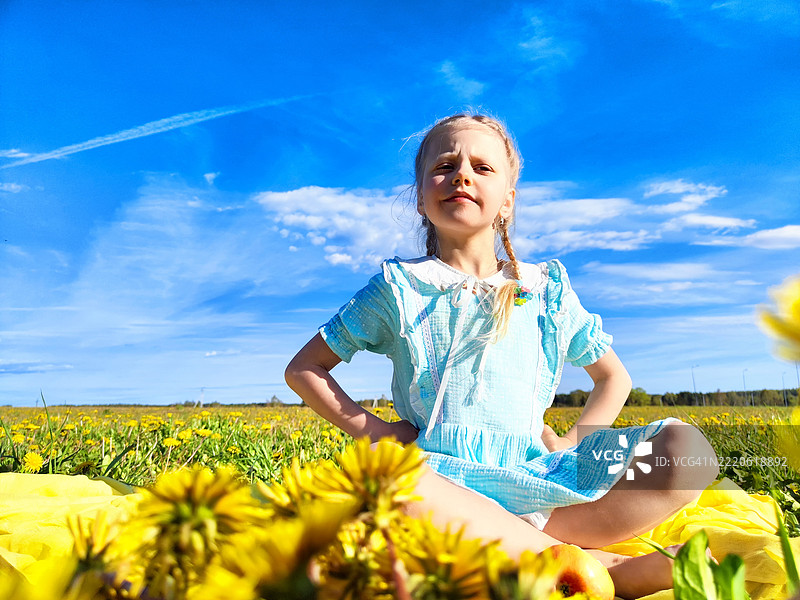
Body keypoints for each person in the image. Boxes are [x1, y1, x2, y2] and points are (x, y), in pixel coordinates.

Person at [285, 113, 719, 598]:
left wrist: (575, 440)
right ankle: (604, 572)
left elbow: (612, 377)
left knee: (686, 453)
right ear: (421, 196)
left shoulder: (545, 290)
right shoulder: (398, 288)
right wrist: (380, 432)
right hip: (443, 479)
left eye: (482, 167)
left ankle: (523, 547)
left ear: (507, 201)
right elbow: (304, 369)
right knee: (389, 487)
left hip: (543, 478)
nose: (461, 174)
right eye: (444, 165)